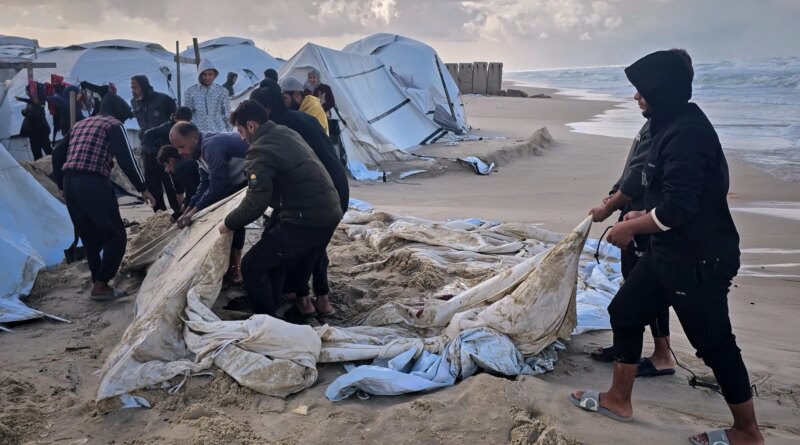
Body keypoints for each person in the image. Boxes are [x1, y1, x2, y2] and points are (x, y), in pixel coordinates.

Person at [569, 50, 763, 445]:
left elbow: (680, 208)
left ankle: (748, 432)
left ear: (662, 90)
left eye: (642, 90)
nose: (636, 97)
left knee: (715, 345)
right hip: (667, 253)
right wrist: (635, 210)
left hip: (699, 260)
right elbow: (662, 190)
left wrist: (632, 227)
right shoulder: (666, 122)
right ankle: (618, 400)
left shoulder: (688, 133)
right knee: (623, 312)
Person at [585, 50, 697, 378]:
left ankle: (662, 355)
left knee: (645, 288)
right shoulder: (655, 123)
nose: (635, 95)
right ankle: (628, 348)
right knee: (632, 283)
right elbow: (632, 169)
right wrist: (614, 196)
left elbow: (637, 178)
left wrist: (609, 206)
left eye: (642, 88)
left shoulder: (668, 129)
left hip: (647, 221)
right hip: (637, 216)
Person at [220, 100, 342, 317]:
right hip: (330, 209)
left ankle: (267, 320)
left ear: (251, 126)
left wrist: (229, 223)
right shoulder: (283, 132)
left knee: (252, 266)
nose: (241, 137)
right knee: (273, 248)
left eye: (240, 131)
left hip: (307, 218)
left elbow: (257, 201)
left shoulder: (260, 150)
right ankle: (279, 301)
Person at [250, 81, 350, 317]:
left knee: (302, 244)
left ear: (264, 109)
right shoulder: (302, 117)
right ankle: (322, 299)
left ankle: (302, 299)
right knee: (316, 245)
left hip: (321, 192)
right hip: (339, 188)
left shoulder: (278, 127)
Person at [60, 93, 156, 300]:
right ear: (119, 113)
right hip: (93, 182)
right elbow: (126, 158)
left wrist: (61, 184)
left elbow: (59, 151)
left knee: (89, 236)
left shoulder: (80, 124)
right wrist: (143, 187)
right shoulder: (113, 125)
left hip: (70, 181)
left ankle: (97, 281)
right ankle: (102, 284)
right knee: (116, 235)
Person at [169, 122, 247, 283]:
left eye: (182, 146)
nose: (180, 152)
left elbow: (218, 185)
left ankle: (236, 270)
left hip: (247, 178)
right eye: (177, 148)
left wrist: (193, 212)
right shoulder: (198, 151)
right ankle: (229, 267)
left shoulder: (211, 147)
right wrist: (188, 210)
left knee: (234, 220)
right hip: (232, 181)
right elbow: (205, 182)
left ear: (194, 137)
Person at [131, 75, 179, 214]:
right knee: (153, 184)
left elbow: (175, 119)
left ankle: (178, 212)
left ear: (143, 86)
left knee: (170, 183)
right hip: (148, 149)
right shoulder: (134, 102)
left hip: (164, 148)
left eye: (135, 87)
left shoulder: (163, 99)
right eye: (132, 87)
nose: (133, 90)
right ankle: (161, 216)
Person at [144, 106, 193, 219]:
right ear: (176, 119)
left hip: (176, 158)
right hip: (164, 159)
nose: (185, 126)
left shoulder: (184, 129)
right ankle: (170, 213)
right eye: (183, 122)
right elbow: (148, 134)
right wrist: (153, 151)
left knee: (178, 186)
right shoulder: (167, 128)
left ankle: (181, 210)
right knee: (169, 187)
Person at [183, 58, 231, 132]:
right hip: (200, 134)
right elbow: (187, 116)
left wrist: (229, 133)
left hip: (220, 132)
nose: (207, 77)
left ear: (214, 75)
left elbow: (227, 114)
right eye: (204, 74)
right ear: (200, 75)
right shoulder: (190, 92)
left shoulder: (222, 91)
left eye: (210, 74)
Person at [16, 81, 52, 160]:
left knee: (47, 149)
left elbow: (36, 110)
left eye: (27, 91)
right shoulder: (31, 100)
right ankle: (38, 166)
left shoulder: (40, 100)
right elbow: (28, 111)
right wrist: (24, 112)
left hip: (40, 129)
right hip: (32, 131)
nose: (27, 93)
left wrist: (21, 99)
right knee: (36, 151)